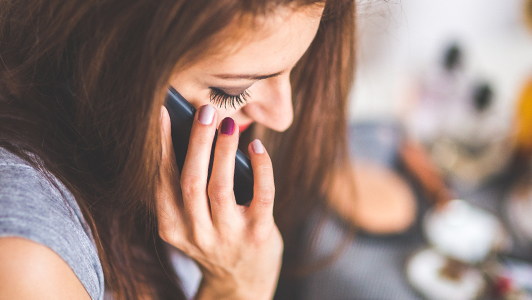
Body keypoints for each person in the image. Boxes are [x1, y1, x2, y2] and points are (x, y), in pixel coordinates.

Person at [0, 0, 355, 299]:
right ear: (107, 59)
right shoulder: (27, 261)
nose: (283, 116)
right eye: (231, 92)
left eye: (292, 70)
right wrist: (236, 287)